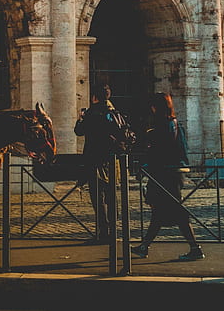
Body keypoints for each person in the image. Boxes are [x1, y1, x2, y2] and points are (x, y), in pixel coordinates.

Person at [133, 92, 203, 261]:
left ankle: (195, 249)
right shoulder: (177, 125)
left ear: (156, 107)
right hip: (175, 174)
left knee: (176, 212)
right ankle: (144, 246)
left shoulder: (161, 127)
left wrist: (145, 165)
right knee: (160, 212)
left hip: (164, 175)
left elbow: (157, 153)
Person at [74, 85, 127, 239]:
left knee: (98, 197)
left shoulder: (92, 112)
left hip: (95, 160)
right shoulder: (114, 112)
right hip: (112, 160)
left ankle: (103, 232)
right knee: (111, 196)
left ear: (95, 97)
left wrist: (81, 118)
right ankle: (114, 231)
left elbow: (79, 131)